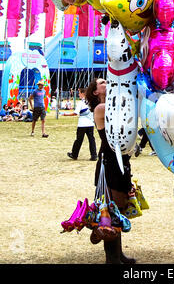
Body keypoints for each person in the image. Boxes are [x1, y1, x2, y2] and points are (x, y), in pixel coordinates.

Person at [85, 78, 136, 264]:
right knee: (110, 212)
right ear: (95, 92)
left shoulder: (113, 103)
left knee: (119, 209)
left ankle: (119, 254)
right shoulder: (101, 108)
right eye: (102, 83)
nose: (107, 83)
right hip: (109, 163)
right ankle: (111, 259)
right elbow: (123, 111)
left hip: (121, 160)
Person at [63, 87, 98, 161]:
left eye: (79, 93)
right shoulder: (91, 101)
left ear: (83, 93)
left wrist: (66, 114)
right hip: (90, 123)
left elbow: (75, 113)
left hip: (82, 124)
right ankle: (94, 155)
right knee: (91, 139)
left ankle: (74, 154)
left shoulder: (81, 102)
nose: (78, 94)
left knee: (79, 140)